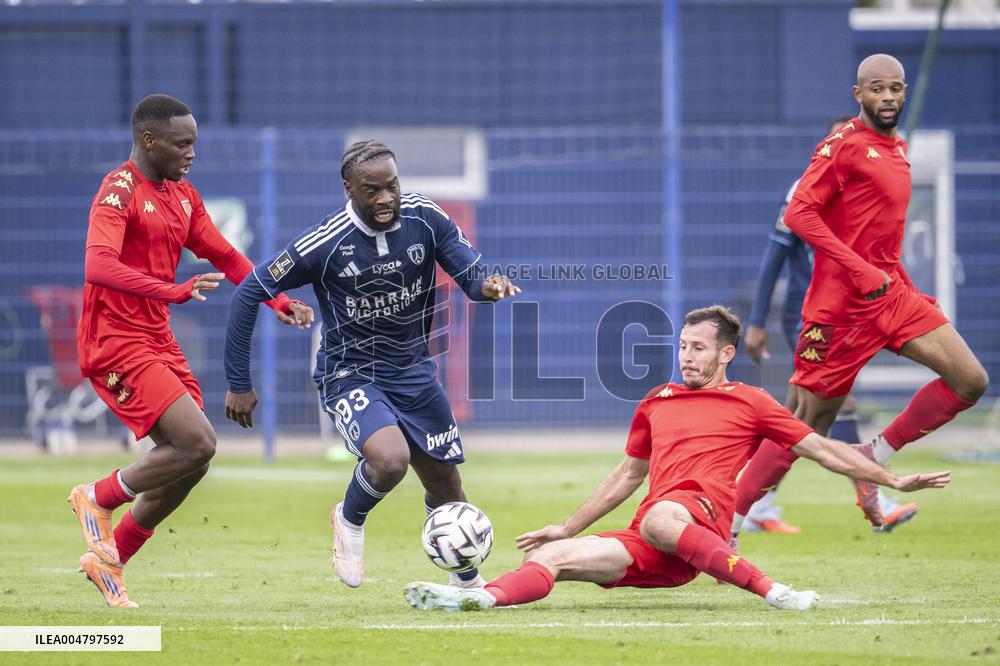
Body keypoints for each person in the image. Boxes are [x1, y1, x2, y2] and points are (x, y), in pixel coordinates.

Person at [403, 306, 950, 613]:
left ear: (725, 353)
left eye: (699, 347)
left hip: (698, 516)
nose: (687, 356)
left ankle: (773, 590)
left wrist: (890, 476)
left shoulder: (751, 402)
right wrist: (564, 527)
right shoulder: (656, 402)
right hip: (656, 535)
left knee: (666, 514)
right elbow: (627, 475)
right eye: (683, 346)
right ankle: (477, 599)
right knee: (555, 559)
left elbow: (822, 448)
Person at [224, 140, 520, 589]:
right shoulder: (323, 242)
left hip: (414, 371)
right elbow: (249, 291)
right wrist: (238, 382)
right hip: (350, 373)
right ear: (349, 188)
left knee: (446, 483)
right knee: (390, 460)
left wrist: (489, 286)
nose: (385, 199)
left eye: (392, 186)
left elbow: (471, 276)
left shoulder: (426, 218)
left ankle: (466, 583)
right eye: (372, 190)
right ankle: (348, 517)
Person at [69, 94, 313, 608]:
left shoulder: (182, 195)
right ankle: (97, 497)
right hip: (114, 338)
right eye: (183, 143)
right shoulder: (118, 190)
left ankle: (109, 559)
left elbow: (225, 255)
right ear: (148, 140)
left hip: (155, 337)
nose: (192, 152)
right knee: (197, 442)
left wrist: (280, 301)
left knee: (192, 461)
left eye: (195, 143)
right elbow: (97, 266)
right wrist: (170, 289)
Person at [736, 53, 988, 530]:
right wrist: (859, 272)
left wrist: (907, 289)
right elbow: (799, 216)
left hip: (891, 299)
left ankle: (875, 452)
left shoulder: (898, 147)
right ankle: (732, 515)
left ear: (904, 91)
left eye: (895, 88)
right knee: (806, 423)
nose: (887, 97)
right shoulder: (842, 143)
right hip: (840, 310)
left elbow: (883, 242)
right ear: (859, 94)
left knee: (970, 380)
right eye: (877, 89)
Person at [734, 116, 917, 543]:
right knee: (834, 404)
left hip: (850, 312)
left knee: (797, 417)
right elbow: (775, 255)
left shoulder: (867, 189)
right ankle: (875, 494)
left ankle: (755, 500)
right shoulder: (804, 190)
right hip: (812, 315)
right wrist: (757, 321)